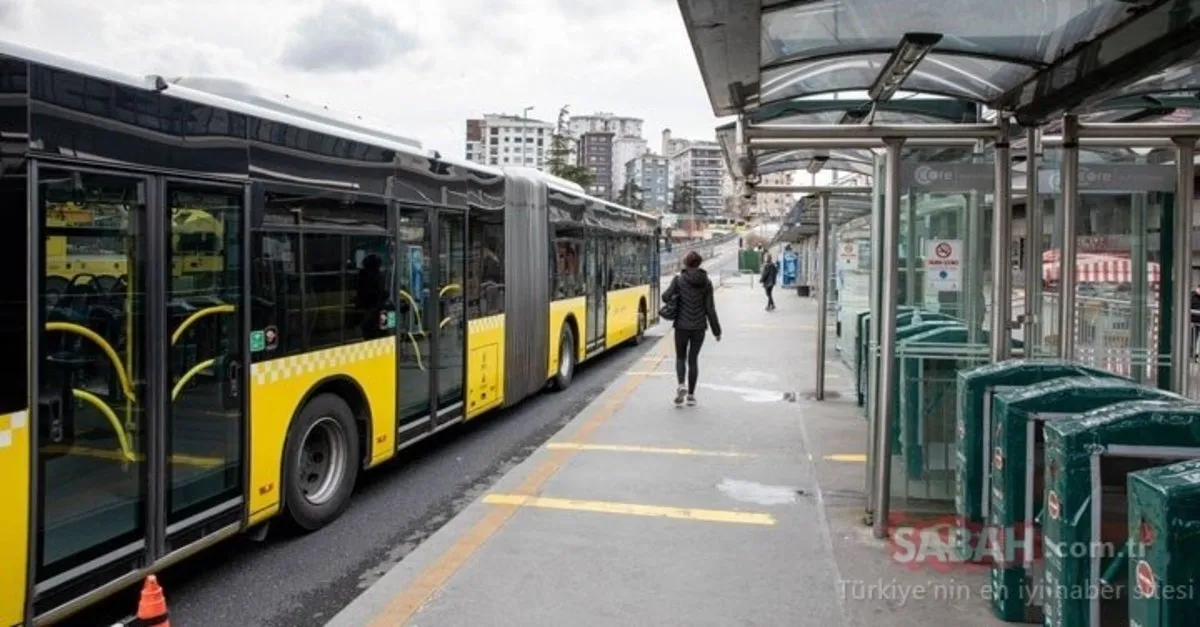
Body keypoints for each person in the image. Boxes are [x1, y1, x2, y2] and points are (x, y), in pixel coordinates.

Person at [662, 250, 722, 406]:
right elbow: (710, 309)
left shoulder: (679, 280)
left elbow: (665, 297)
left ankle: (681, 384)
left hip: (681, 326)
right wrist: (717, 331)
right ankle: (691, 395)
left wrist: (675, 294)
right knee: (693, 360)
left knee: (680, 357)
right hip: (699, 327)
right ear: (699, 263)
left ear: (686, 263)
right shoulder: (706, 282)